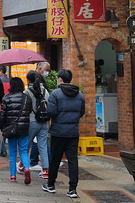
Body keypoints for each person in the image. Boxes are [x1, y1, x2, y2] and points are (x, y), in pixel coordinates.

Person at [42, 69, 85, 199]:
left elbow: (51, 112)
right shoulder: (80, 95)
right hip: (73, 132)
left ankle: (50, 185)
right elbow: (81, 112)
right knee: (73, 160)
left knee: (55, 158)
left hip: (58, 132)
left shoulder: (55, 94)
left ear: (60, 79)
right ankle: (72, 189)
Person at [0, 77, 32, 184]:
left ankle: (13, 176)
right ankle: (26, 168)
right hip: (24, 128)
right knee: (23, 150)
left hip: (11, 129)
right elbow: (29, 111)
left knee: (12, 153)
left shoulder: (6, 98)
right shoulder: (27, 98)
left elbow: (2, 115)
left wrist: (2, 129)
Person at [19, 70, 50, 179]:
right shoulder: (45, 91)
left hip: (32, 121)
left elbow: (25, 107)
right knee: (43, 146)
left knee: (26, 144)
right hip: (44, 121)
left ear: (28, 80)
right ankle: (45, 171)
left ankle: (23, 165)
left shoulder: (28, 91)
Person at [0, 66, 11, 156]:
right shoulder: (10, 81)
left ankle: (2, 149)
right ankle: (3, 147)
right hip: (9, 109)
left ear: (1, 71)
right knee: (5, 129)